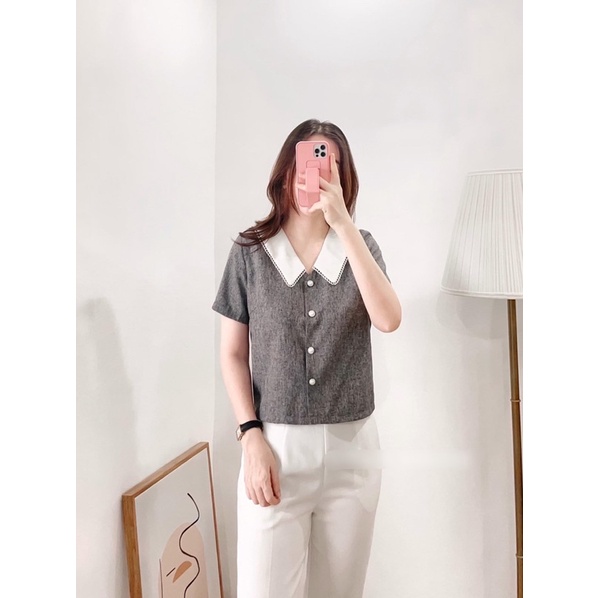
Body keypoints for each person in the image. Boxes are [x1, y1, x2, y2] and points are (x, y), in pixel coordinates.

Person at [212, 119, 402, 598]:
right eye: (304, 163)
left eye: (326, 165)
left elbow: (388, 319)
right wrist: (251, 437)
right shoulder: (250, 253)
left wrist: (343, 224)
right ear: (285, 171)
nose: (311, 175)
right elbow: (232, 354)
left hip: (352, 452)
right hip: (275, 449)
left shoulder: (360, 247)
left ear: (342, 178)